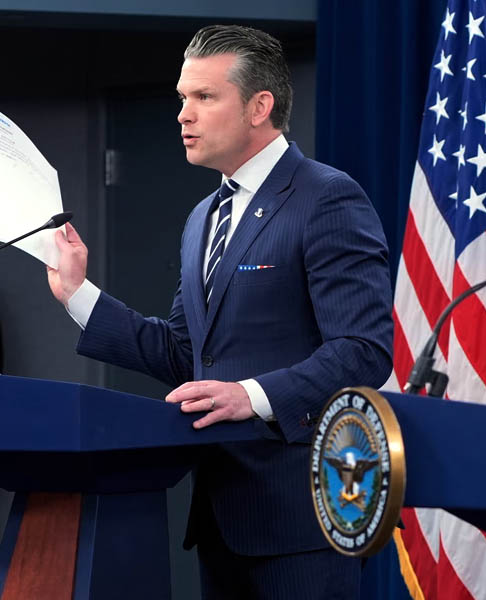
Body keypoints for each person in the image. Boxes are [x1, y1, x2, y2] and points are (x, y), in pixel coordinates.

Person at [46, 25, 393, 599]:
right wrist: (78, 294)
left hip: (303, 520)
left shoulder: (327, 197)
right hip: (220, 515)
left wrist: (250, 394)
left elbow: (362, 351)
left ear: (260, 107)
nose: (184, 114)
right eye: (183, 97)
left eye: (204, 97)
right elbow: (186, 352)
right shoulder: (203, 217)